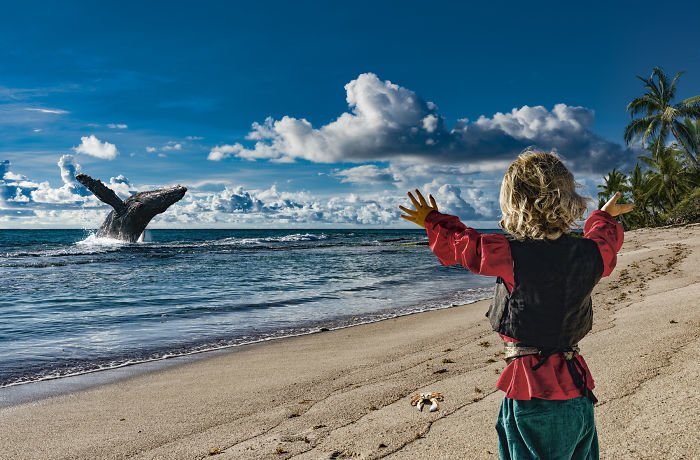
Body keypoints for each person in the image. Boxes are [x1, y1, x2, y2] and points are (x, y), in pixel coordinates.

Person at [399, 151, 633, 460]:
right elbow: (604, 239)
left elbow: (466, 246)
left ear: (514, 204)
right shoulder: (592, 254)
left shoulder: (510, 254)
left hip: (533, 393)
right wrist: (602, 216)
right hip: (577, 391)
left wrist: (432, 220)